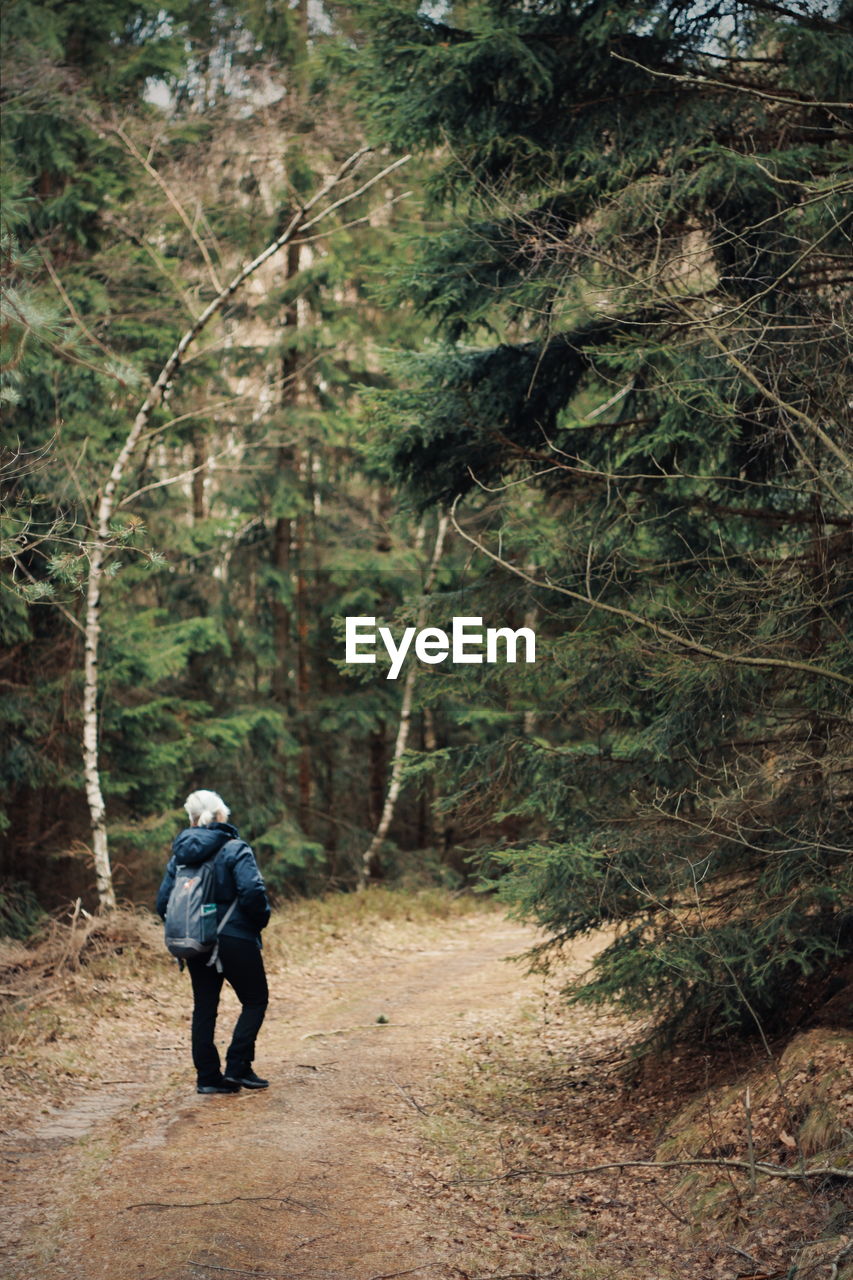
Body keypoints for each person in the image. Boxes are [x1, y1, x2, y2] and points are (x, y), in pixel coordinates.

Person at [157, 789, 271, 1094]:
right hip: (235, 937)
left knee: (204, 1007)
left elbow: (162, 902)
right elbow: (252, 892)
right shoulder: (235, 849)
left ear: (192, 818)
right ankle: (237, 1067)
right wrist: (257, 923)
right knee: (255, 999)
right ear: (221, 814)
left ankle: (208, 1077)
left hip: (195, 940)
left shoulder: (180, 856)